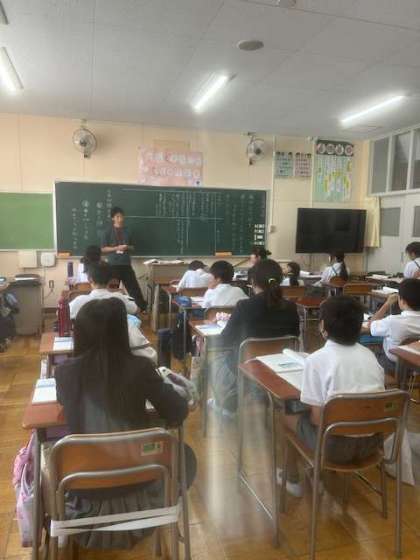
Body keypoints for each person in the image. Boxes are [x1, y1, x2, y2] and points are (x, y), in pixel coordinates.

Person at [54, 298, 196, 549]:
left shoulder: (65, 373)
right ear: (121, 332)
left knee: (51, 457)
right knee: (185, 456)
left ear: (80, 334)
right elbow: (178, 410)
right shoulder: (140, 367)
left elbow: (66, 403)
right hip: (140, 485)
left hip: (83, 494)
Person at [281, 296, 384, 496]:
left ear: (322, 327)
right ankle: (316, 472)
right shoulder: (370, 356)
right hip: (372, 445)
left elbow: (317, 419)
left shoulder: (316, 360)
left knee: (285, 415)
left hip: (334, 449)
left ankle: (293, 479)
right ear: (359, 326)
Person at [209, 259, 300, 415]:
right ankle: (249, 396)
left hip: (247, 365)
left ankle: (225, 405)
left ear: (252, 281)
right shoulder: (291, 307)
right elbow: (295, 336)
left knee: (213, 359)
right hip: (278, 366)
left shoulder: (244, 306)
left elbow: (225, 340)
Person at [69, 262, 156, 363]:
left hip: (86, 353)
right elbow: (136, 309)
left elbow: (62, 315)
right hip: (118, 355)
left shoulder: (78, 301)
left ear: (90, 279)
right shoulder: (119, 298)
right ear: (111, 279)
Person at [368, 278, 420, 373]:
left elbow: (371, 325)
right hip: (416, 367)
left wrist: (387, 304)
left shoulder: (393, 321)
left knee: (370, 355)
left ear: (402, 301)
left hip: (392, 366)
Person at [101, 206, 147, 311]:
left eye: (121, 216)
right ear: (113, 218)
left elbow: (133, 247)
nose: (120, 219)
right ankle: (112, 311)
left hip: (126, 264)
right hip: (113, 265)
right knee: (113, 290)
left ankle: (141, 309)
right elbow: (103, 249)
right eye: (117, 217)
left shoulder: (128, 231)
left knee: (134, 289)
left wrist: (127, 247)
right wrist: (116, 248)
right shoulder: (107, 232)